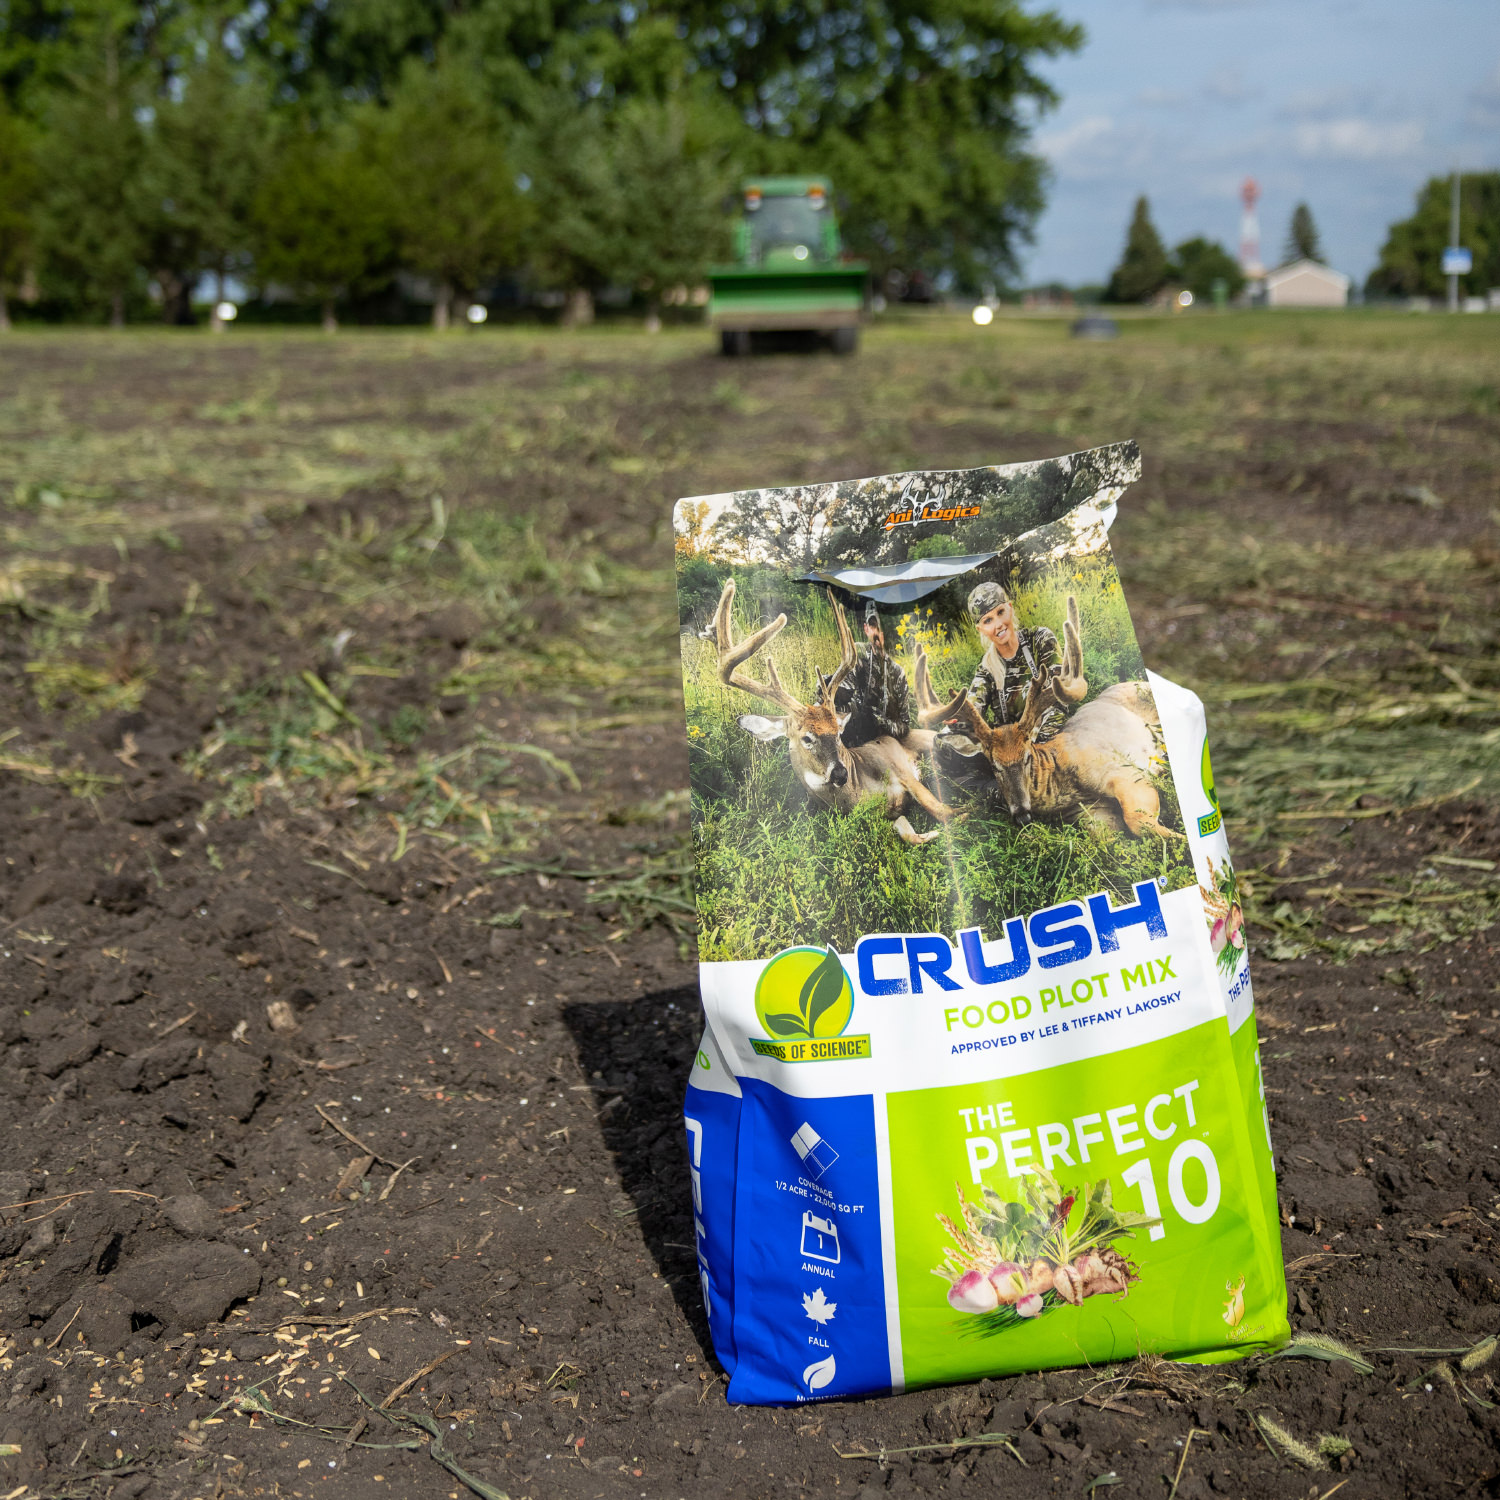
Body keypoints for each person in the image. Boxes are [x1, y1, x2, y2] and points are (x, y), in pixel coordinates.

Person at [966, 581, 1066, 742]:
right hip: (1009, 746)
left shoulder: (1040, 639)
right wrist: (959, 717)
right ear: (981, 629)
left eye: (1000, 612)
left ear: (1010, 608)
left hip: (1044, 732)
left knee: (1053, 715)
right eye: (988, 620)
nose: (998, 625)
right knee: (946, 739)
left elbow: (1058, 694)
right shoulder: (987, 669)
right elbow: (973, 707)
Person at [833, 599, 912, 748]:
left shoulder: (897, 673)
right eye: (873, 625)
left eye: (881, 626)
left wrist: (883, 722)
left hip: (885, 745)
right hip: (856, 742)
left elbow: (905, 727)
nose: (877, 632)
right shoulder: (857, 657)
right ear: (866, 629)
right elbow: (842, 696)